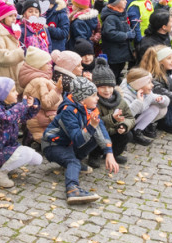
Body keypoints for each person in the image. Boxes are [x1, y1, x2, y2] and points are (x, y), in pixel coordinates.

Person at [41, 77, 119, 205]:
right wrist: (91, 126)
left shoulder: (90, 108)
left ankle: (74, 162)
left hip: (68, 144)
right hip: (53, 145)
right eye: (93, 95)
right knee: (73, 162)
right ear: (83, 98)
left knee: (95, 136)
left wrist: (109, 152)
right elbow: (77, 139)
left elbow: (101, 130)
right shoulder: (68, 111)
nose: (97, 98)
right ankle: (72, 189)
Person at [0, 77, 42, 188]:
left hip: (7, 147)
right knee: (28, 153)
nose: (17, 93)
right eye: (13, 91)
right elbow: (6, 118)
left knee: (37, 159)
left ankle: (5, 165)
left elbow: (24, 116)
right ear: (3, 95)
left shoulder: (8, 106)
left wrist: (33, 106)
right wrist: (22, 105)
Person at [88, 60, 133, 168]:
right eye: (102, 87)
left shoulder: (120, 101)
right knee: (96, 137)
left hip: (113, 131)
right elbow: (95, 123)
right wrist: (112, 119)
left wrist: (123, 126)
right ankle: (94, 155)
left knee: (127, 135)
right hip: (99, 134)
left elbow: (130, 117)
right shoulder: (93, 102)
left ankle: (115, 153)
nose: (107, 90)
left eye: (109, 87)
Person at [100, 0, 135, 79]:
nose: (126, 2)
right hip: (114, 53)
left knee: (119, 71)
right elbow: (109, 33)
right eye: (123, 0)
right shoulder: (111, 17)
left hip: (121, 53)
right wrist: (126, 35)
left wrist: (130, 31)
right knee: (113, 73)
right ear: (116, 2)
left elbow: (124, 27)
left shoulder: (121, 14)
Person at [0, 0, 24, 83]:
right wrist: (21, 52)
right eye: (10, 16)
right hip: (5, 79)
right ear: (2, 18)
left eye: (15, 16)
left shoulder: (12, 32)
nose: (14, 19)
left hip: (14, 76)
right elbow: (0, 57)